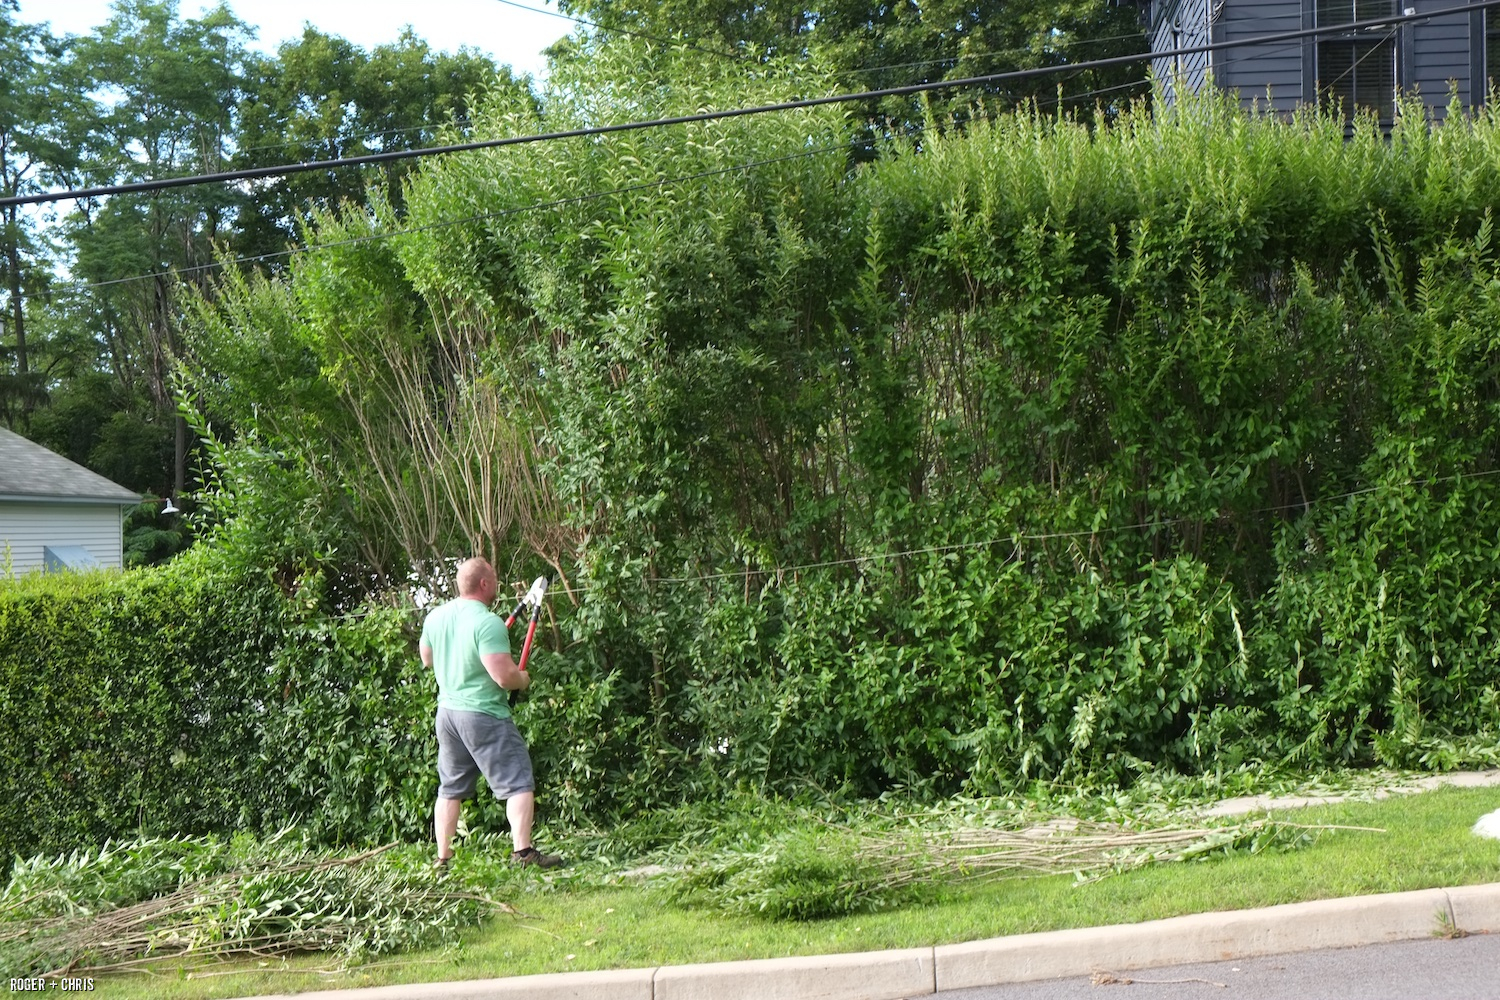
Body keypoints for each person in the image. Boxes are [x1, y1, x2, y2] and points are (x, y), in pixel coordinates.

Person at [421, 556, 562, 868]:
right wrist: (522, 679)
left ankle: (442, 859)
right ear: (484, 584)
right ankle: (523, 854)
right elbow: (504, 677)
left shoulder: (436, 617)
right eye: (495, 579)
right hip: (483, 714)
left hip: (447, 715)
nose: (497, 584)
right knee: (519, 781)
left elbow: (428, 659)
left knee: (450, 788)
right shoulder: (488, 623)